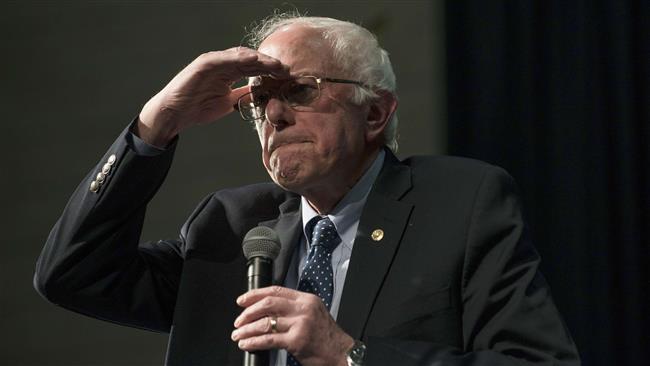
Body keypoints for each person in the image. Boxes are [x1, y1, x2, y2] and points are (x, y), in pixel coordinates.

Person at [34, 13, 580, 366]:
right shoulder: (230, 225)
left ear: (374, 113)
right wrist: (156, 124)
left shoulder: (459, 203)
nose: (272, 112)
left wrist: (350, 354)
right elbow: (72, 275)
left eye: (298, 90)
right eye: (259, 99)